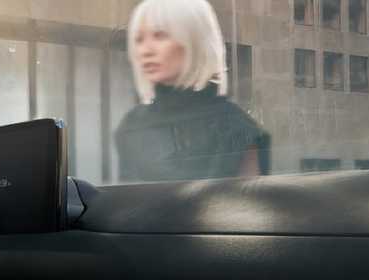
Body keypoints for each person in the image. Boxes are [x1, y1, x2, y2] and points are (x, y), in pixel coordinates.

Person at [114, 0, 270, 182]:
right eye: (138, 39)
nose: (145, 50)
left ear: (193, 40)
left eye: (160, 35)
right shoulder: (131, 126)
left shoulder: (236, 129)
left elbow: (248, 205)